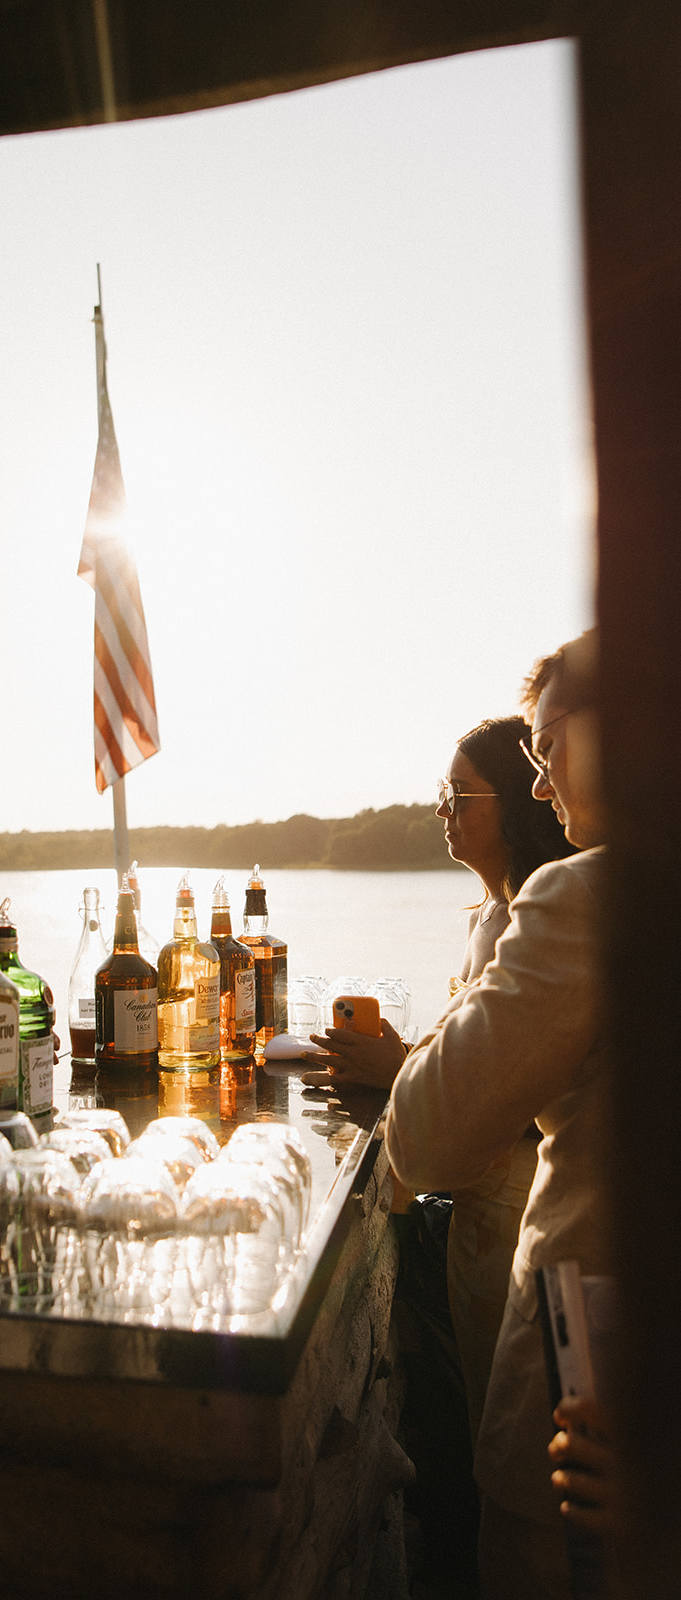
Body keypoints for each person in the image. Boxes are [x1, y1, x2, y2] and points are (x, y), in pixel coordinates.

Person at [383, 630, 609, 1600]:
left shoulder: (585, 896)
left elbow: (425, 1134)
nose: (538, 781)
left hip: (589, 1404)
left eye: (545, 744)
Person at [303, 715, 575, 1441]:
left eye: (460, 795)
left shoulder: (541, 913)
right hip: (476, 1199)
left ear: (515, 803)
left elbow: (525, 1092)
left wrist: (399, 1069)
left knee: (511, 1414)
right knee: (484, 1401)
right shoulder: (489, 912)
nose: (441, 811)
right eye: (440, 793)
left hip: (512, 1205)